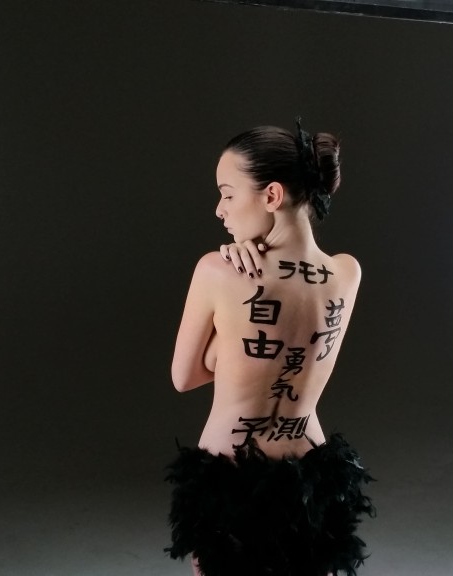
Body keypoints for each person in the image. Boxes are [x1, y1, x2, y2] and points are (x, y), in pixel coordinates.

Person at [166, 120, 374, 576]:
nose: (220, 210)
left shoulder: (216, 271)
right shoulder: (347, 272)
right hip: (311, 472)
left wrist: (228, 346)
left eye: (227, 194)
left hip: (230, 477)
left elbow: (184, 377)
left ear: (272, 195)